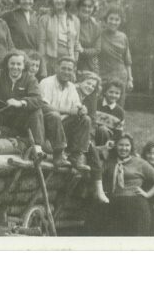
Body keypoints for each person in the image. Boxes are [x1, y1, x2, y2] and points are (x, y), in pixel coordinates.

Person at [0, 50, 45, 156]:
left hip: (19, 120)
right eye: (12, 63)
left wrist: (21, 102)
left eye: (18, 64)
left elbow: (38, 99)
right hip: (1, 117)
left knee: (37, 110)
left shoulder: (30, 79)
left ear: (24, 66)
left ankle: (37, 146)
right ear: (7, 64)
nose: (15, 67)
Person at [95, 134, 154, 236]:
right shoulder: (109, 162)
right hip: (114, 205)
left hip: (136, 207)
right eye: (120, 145)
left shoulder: (140, 162)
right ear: (115, 146)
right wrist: (104, 148)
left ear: (131, 147)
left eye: (127, 145)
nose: (124, 148)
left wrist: (148, 194)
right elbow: (94, 163)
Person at [39, 57, 92, 171]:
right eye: (63, 68)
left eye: (69, 69)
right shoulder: (46, 82)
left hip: (62, 126)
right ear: (56, 68)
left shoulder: (72, 87)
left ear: (73, 71)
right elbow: (44, 106)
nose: (66, 72)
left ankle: (75, 157)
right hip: (45, 125)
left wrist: (82, 109)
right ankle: (58, 155)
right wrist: (68, 111)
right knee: (54, 115)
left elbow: (77, 105)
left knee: (85, 119)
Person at [75, 71, 108, 201]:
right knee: (91, 150)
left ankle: (93, 188)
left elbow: (92, 120)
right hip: (70, 130)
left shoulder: (91, 97)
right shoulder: (73, 92)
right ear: (80, 81)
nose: (90, 87)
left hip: (83, 132)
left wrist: (90, 137)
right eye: (88, 83)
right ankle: (98, 188)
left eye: (93, 86)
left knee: (92, 147)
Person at [2, 0, 47, 77]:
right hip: (18, 58)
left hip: (34, 59)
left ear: (34, 0)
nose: (27, 1)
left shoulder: (36, 16)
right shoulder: (9, 15)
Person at [38, 0, 81, 76]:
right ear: (52, 0)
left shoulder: (75, 20)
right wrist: (43, 68)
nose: (59, 1)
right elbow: (42, 43)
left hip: (69, 63)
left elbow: (76, 44)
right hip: (52, 62)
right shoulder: (45, 19)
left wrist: (74, 65)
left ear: (67, 0)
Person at [99, 6, 133, 107]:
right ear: (106, 19)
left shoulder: (123, 37)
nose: (113, 22)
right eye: (111, 19)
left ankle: (119, 123)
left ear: (120, 21)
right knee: (101, 106)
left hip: (120, 76)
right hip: (103, 76)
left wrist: (130, 79)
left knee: (118, 107)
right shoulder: (99, 34)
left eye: (117, 19)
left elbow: (127, 61)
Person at [74, 0, 101, 74]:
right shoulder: (71, 21)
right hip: (70, 63)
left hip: (88, 66)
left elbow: (97, 49)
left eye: (90, 6)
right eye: (84, 5)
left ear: (93, 9)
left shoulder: (95, 26)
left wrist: (82, 50)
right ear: (78, 6)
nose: (86, 9)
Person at [95, 80, 125, 146]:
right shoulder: (96, 104)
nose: (113, 95)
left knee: (102, 130)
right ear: (105, 92)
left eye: (117, 93)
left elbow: (118, 133)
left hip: (107, 141)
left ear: (120, 95)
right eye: (111, 92)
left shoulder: (120, 112)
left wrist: (112, 141)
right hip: (93, 135)